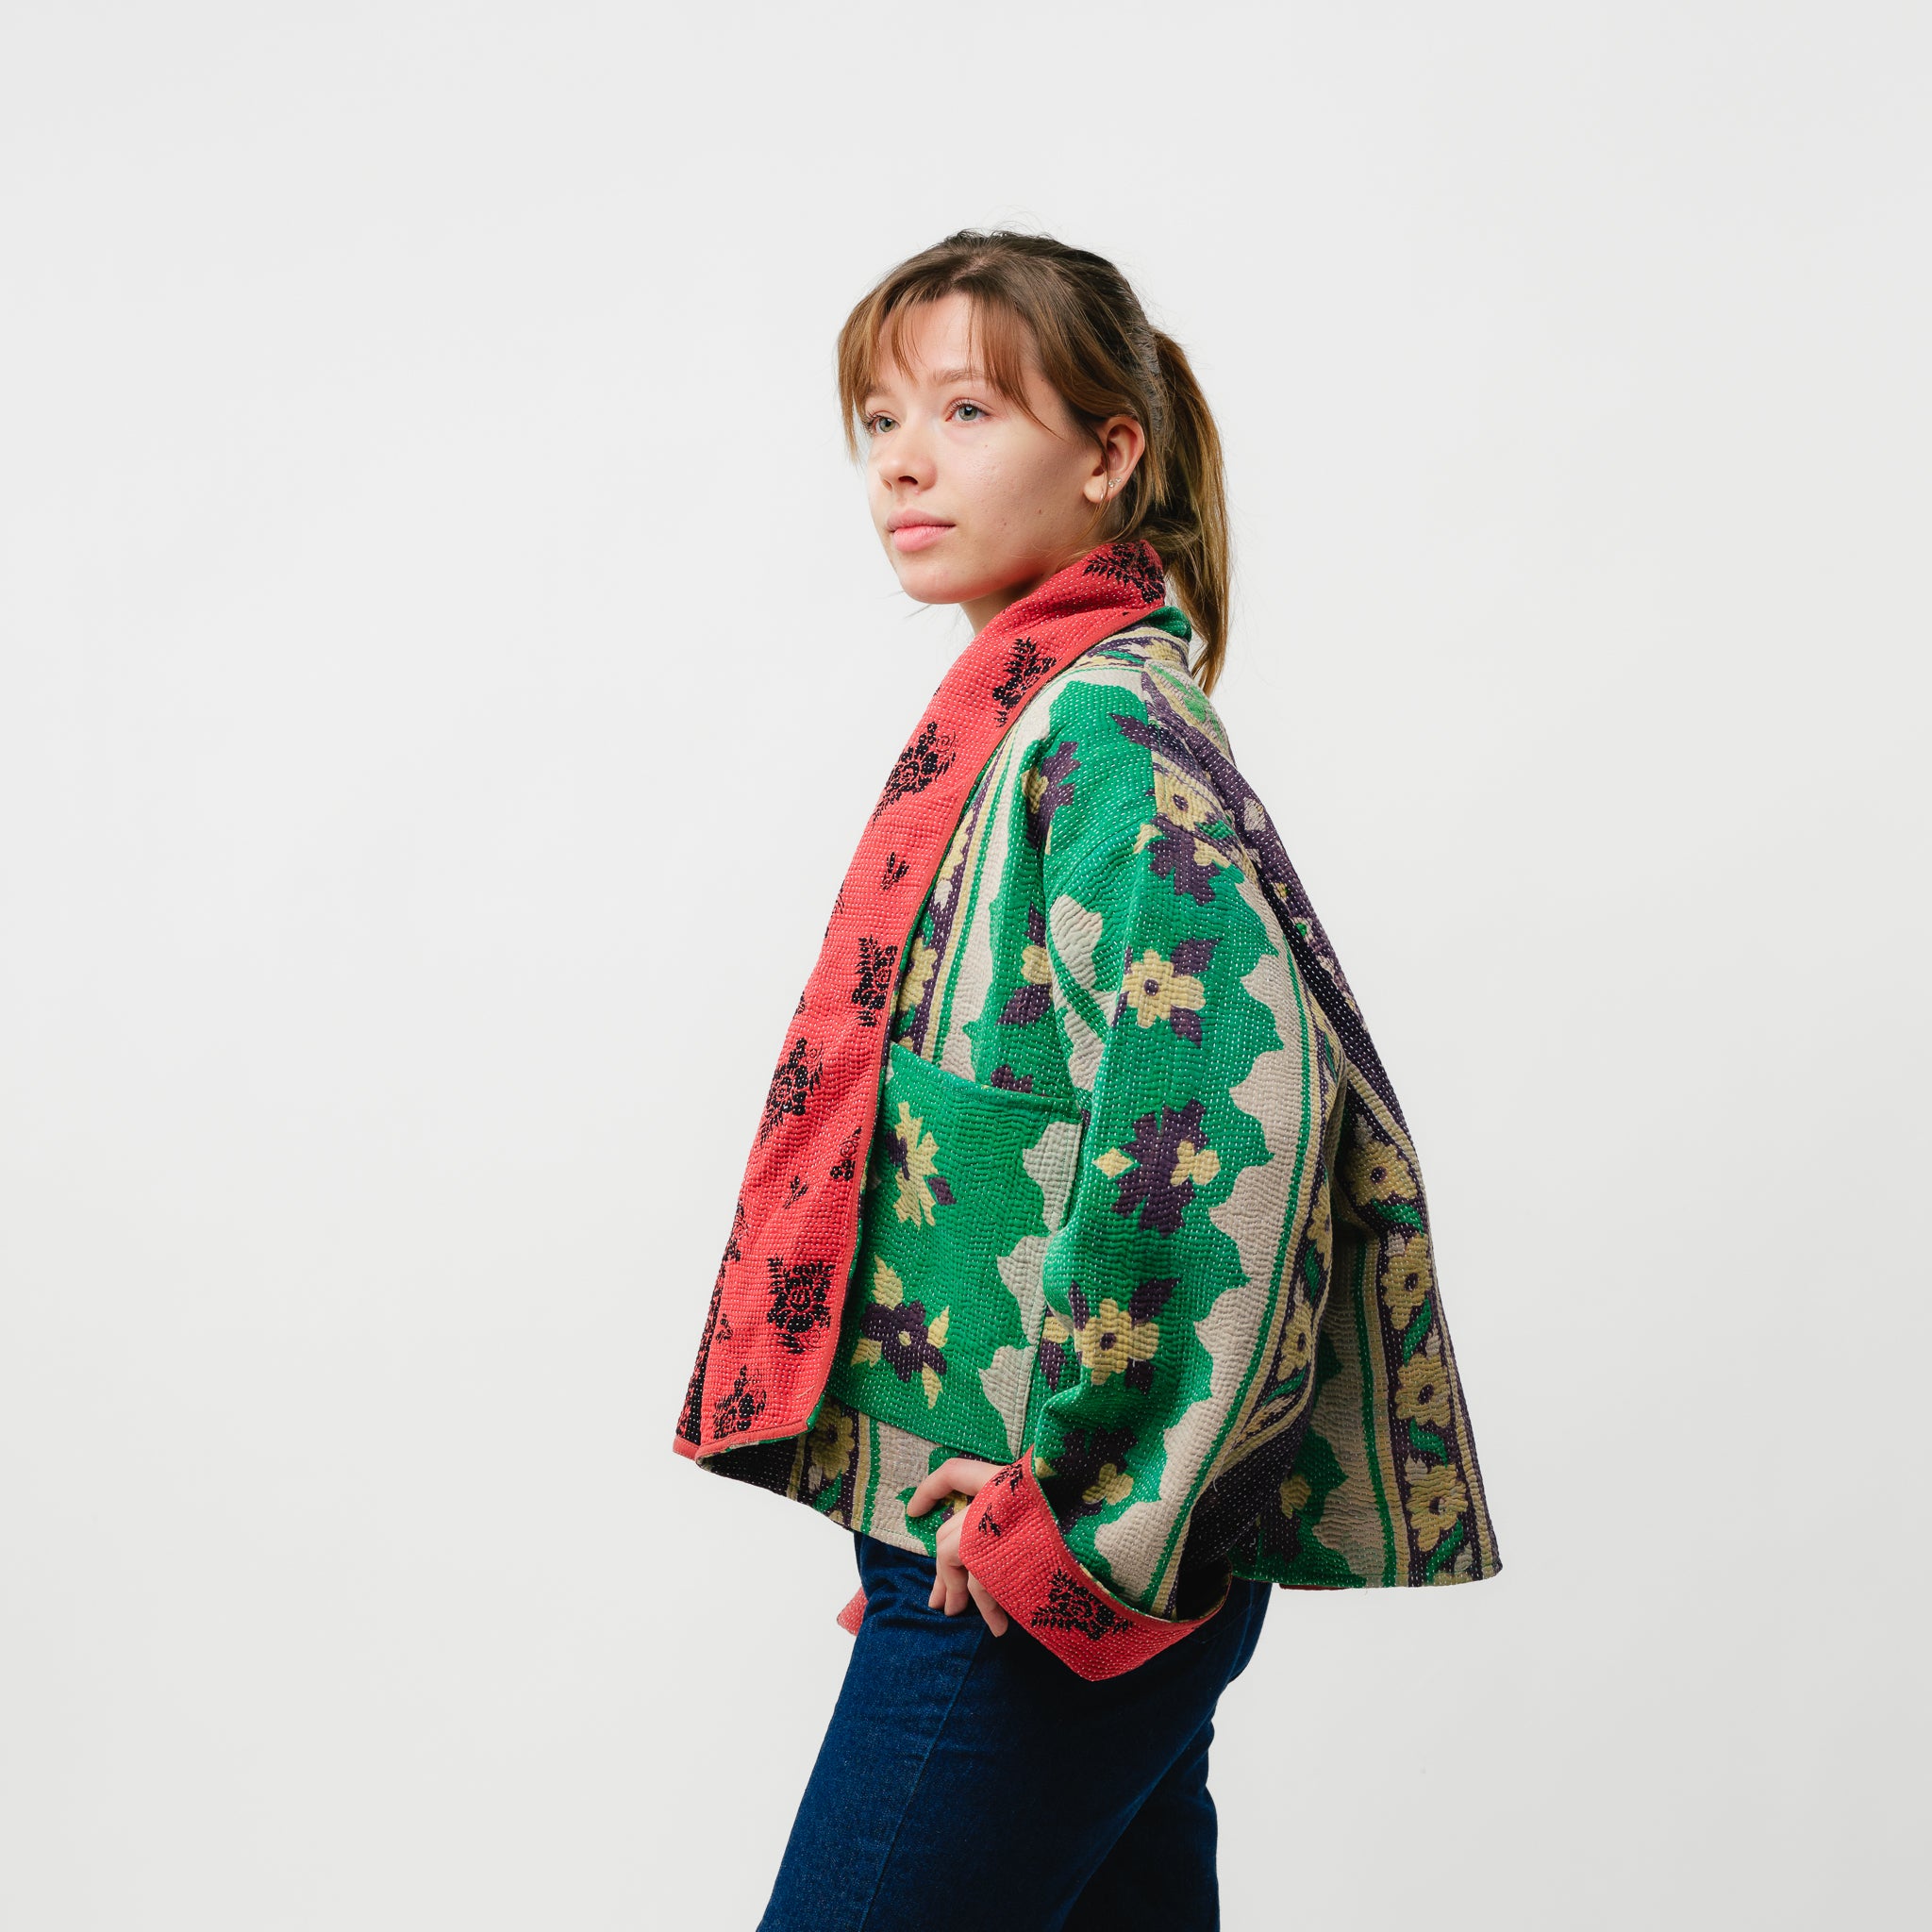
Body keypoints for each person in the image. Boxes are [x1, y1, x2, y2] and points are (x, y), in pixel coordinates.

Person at [673, 230, 1502, 1931]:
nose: (905, 457)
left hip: (1062, 1554)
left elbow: (1230, 1128)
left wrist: (1075, 1515)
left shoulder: (1103, 734)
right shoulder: (1025, 721)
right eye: (883, 417)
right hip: (996, 1537)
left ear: (1110, 451)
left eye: (969, 409)